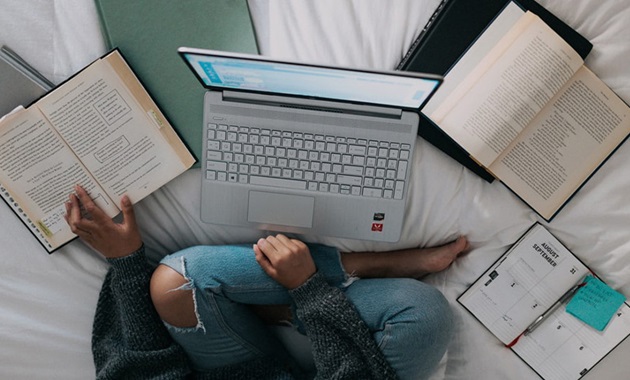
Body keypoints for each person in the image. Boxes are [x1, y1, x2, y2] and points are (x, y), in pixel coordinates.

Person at [65, 185, 468, 380]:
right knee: (425, 312)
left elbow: (146, 369)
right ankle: (295, 300)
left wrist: (127, 261)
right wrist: (308, 291)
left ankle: (351, 267)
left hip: (238, 370)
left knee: (177, 279)